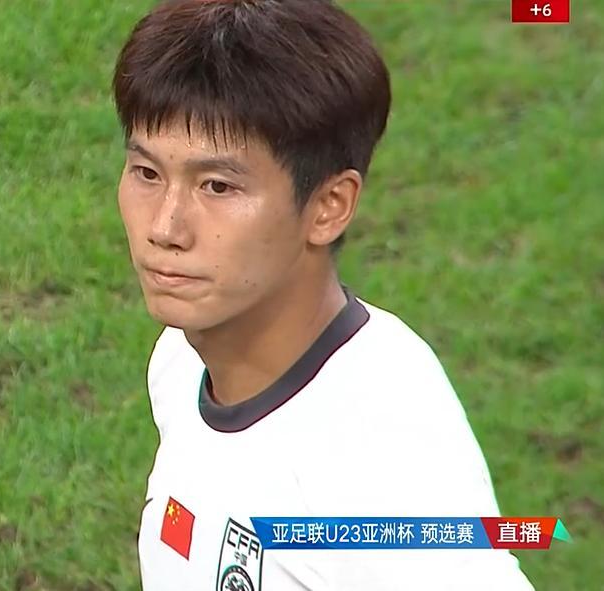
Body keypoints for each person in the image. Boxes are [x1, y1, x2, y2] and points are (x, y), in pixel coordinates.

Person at [111, 1, 535, 589]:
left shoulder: (380, 468)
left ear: (329, 207)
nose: (165, 227)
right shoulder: (182, 361)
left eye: (217, 186)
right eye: (147, 174)